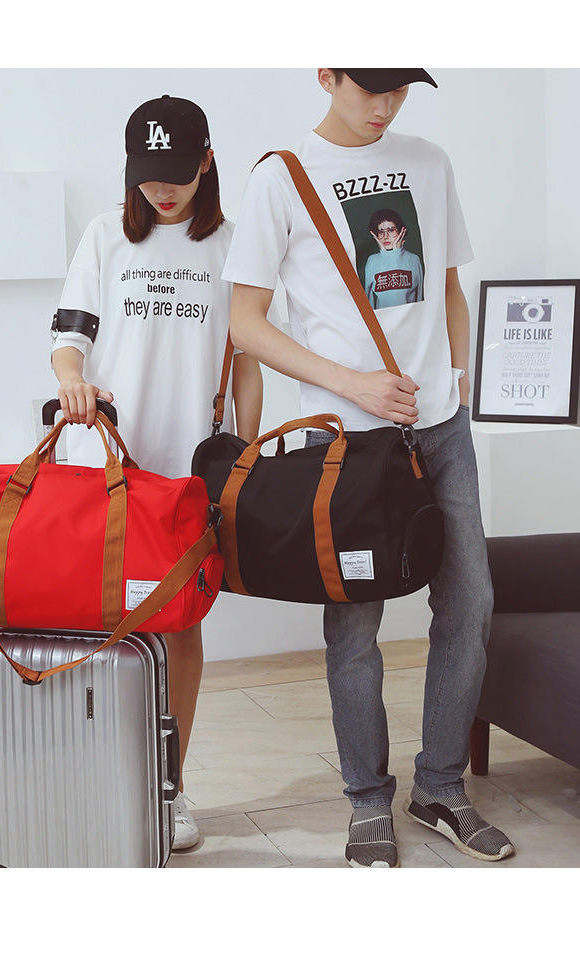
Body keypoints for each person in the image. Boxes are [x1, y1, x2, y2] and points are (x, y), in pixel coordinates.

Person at [222, 68, 515, 867]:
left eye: (400, 90)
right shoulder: (282, 178)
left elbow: (447, 286)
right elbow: (246, 324)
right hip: (349, 441)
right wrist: (353, 385)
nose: (384, 106)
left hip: (439, 428)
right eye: (368, 88)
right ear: (328, 74)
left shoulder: (429, 161)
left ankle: (441, 788)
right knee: (354, 624)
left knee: (471, 601)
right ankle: (366, 800)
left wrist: (458, 377)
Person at [51, 94, 263, 851]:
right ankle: (99, 781)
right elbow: (69, 338)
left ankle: (168, 788)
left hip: (187, 472)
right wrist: (72, 380)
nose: (161, 189)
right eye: (147, 174)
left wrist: (247, 458)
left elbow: (248, 365)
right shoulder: (105, 236)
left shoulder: (233, 246)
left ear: (207, 161)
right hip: (103, 464)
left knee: (179, 628)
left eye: (176, 172)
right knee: (99, 627)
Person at [365, 208, 423, 307]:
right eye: (381, 232)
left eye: (391, 230)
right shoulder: (372, 261)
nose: (385, 236)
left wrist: (397, 253)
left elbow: (420, 296)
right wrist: (387, 254)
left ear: (401, 231)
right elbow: (368, 300)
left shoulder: (413, 259)